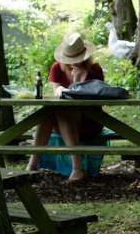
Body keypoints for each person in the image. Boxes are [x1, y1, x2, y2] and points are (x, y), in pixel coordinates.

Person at [26, 32, 105, 181]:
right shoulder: (57, 68)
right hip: (64, 123)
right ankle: (32, 164)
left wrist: (76, 80)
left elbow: (93, 99)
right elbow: (56, 90)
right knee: (47, 114)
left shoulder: (95, 70)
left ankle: (77, 168)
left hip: (89, 121)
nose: (72, 63)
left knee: (64, 111)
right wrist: (61, 90)